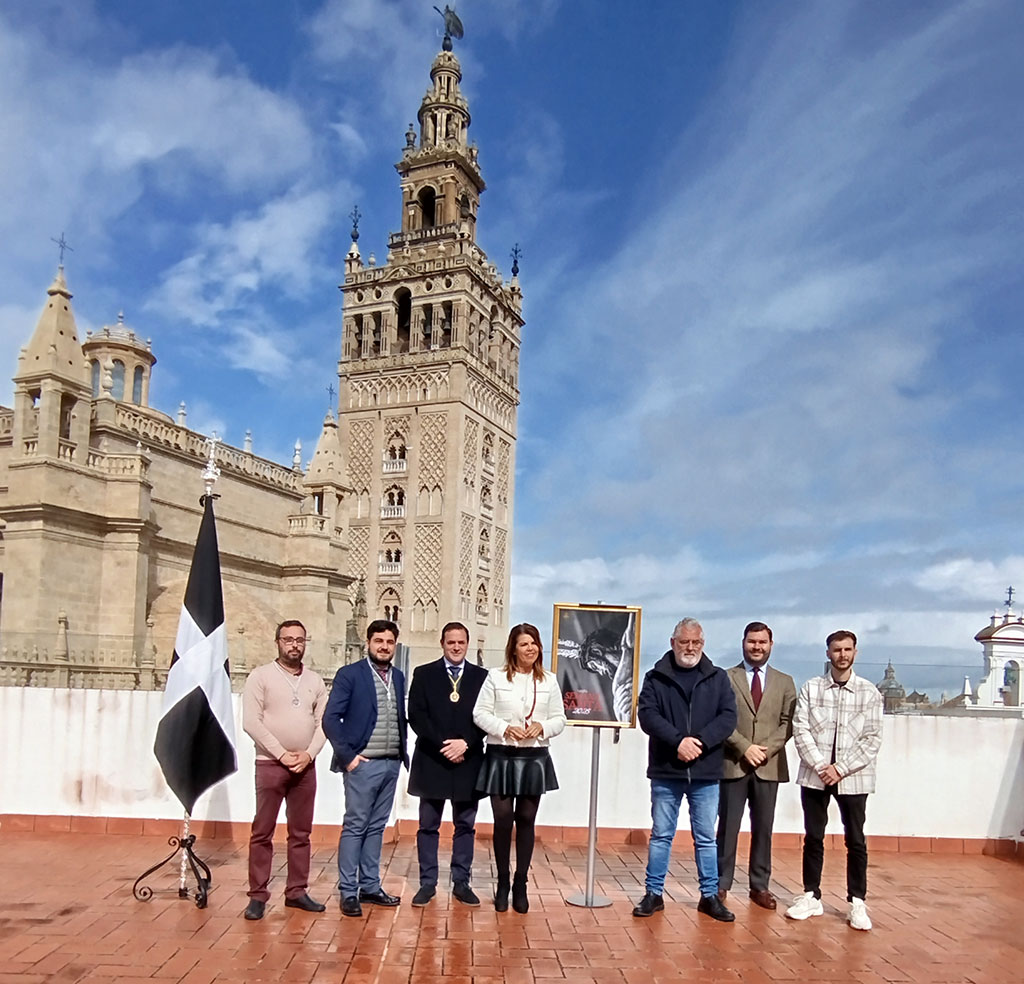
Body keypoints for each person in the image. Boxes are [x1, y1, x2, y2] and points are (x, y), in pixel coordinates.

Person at [632, 617, 737, 922]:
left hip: (706, 773)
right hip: (667, 771)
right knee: (661, 835)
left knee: (705, 837)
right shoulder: (655, 677)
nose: (690, 648)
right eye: (684, 642)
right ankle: (654, 894)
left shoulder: (717, 678)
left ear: (702, 645)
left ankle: (709, 896)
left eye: (696, 643)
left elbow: (728, 717)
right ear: (672, 643)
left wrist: (700, 742)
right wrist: (678, 742)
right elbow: (648, 716)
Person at [786, 630, 883, 931]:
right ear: (828, 653)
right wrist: (820, 765)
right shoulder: (812, 689)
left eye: (847, 649)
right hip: (815, 777)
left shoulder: (869, 693)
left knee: (855, 839)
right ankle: (811, 895)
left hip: (853, 779)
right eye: (837, 650)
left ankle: (857, 901)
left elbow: (872, 739)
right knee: (813, 837)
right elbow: (800, 730)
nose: (842, 655)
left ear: (856, 652)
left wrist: (840, 768)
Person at [473, 623, 566, 913]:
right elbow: (480, 713)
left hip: (534, 756)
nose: (530, 648)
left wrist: (542, 727)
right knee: (503, 819)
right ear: (513, 647)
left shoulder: (549, 680)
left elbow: (560, 719)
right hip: (501, 754)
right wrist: (504, 729)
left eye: (534, 643)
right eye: (524, 644)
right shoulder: (495, 677)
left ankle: (521, 882)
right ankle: (502, 881)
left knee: (526, 818)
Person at [241, 619, 327, 920]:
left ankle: (297, 891)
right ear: (277, 642)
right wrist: (281, 754)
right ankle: (257, 895)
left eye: (300, 640)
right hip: (269, 765)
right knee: (262, 831)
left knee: (300, 832)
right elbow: (251, 722)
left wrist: (308, 754)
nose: (294, 645)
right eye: (288, 639)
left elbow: (323, 723)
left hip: (305, 767)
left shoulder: (315, 681)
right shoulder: (260, 677)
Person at [323, 618, 408, 917]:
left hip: (390, 763)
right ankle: (348, 891)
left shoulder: (398, 676)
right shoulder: (350, 675)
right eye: (379, 641)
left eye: (389, 642)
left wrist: (400, 756)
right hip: (363, 764)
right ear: (368, 643)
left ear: (395, 645)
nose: (384, 647)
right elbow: (331, 719)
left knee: (376, 827)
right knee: (356, 826)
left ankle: (370, 885)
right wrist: (349, 758)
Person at [716, 621, 797, 910]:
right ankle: (720, 884)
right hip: (733, 763)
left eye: (762, 642)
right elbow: (721, 719)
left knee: (763, 827)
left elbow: (788, 724)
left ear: (771, 645)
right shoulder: (726, 677)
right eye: (752, 641)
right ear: (743, 642)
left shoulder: (785, 682)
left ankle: (759, 886)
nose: (757, 647)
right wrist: (743, 747)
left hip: (769, 765)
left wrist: (765, 751)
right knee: (728, 827)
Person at [407, 621, 488, 907]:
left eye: (461, 643)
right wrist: (445, 745)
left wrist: (466, 742)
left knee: (465, 826)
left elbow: (486, 716)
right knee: (428, 825)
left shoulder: (482, 677)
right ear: (442, 643)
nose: (456, 647)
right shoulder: (424, 673)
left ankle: (461, 881)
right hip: (433, 759)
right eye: (451, 642)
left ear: (467, 645)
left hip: (468, 760)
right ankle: (427, 883)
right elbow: (416, 716)